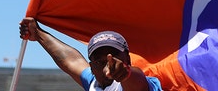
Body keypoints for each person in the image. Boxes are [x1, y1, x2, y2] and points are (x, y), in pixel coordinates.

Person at [19, 17, 162, 91]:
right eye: (99, 62)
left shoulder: (139, 84)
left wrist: (125, 74)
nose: (107, 68)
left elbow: (137, 82)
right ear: (92, 67)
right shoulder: (94, 83)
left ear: (128, 59)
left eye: (114, 58)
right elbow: (70, 60)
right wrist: (37, 34)